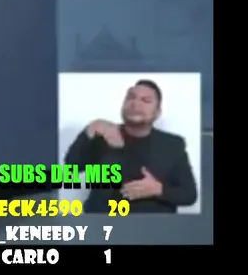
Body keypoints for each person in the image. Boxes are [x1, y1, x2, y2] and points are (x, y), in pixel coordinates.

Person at [63, 79, 198, 214]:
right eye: (131, 97)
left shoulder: (172, 145)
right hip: (103, 222)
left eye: (146, 100)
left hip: (152, 224)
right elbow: (72, 167)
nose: (135, 104)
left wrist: (158, 190)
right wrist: (90, 129)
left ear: (157, 112)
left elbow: (189, 195)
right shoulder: (104, 135)